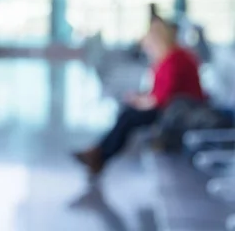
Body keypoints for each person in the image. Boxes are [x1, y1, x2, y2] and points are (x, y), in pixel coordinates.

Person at [73, 17, 204, 176]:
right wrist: (140, 99)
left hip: (181, 111)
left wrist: (141, 101)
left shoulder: (175, 59)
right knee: (128, 113)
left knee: (129, 116)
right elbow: (160, 92)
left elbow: (162, 99)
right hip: (174, 107)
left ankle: (99, 154)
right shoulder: (169, 57)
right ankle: (99, 153)